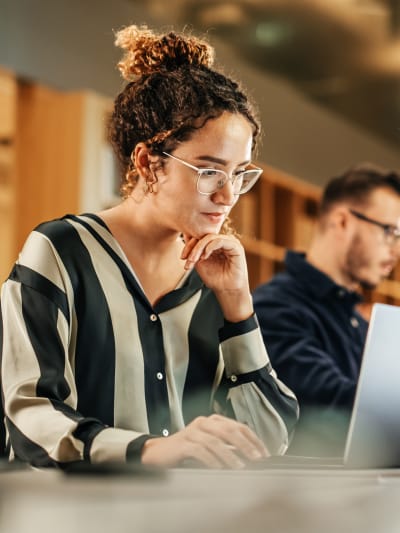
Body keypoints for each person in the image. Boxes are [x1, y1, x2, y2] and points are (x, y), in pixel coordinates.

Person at [0, 25, 298, 469]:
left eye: (240, 174)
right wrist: (149, 450)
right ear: (146, 162)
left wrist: (238, 306)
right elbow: (30, 419)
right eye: (209, 171)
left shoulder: (213, 278)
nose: (228, 195)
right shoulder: (61, 251)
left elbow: (269, 440)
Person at [253, 163, 400, 456]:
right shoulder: (274, 307)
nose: (396, 250)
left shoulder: (356, 321)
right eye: (391, 231)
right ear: (343, 222)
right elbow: (334, 407)